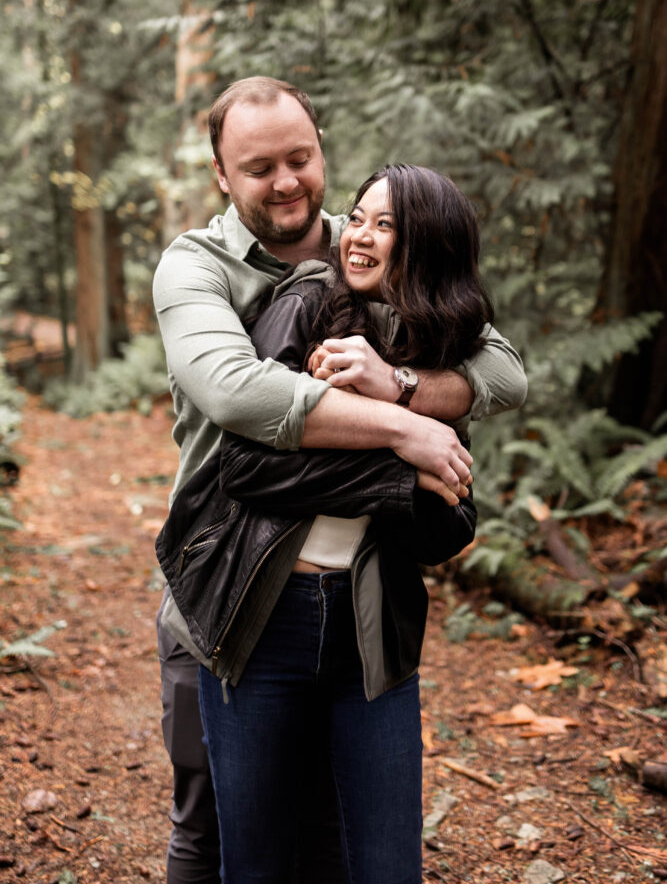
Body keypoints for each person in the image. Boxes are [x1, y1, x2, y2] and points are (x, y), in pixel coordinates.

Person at [153, 77, 527, 884]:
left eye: (300, 157)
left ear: (321, 147)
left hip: (357, 604)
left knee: (331, 839)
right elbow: (238, 399)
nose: (286, 180)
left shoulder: (367, 249)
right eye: (259, 167)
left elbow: (502, 369)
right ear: (222, 174)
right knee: (209, 830)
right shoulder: (196, 264)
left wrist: (397, 385)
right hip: (219, 584)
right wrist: (406, 434)